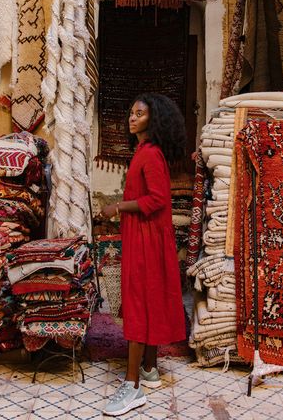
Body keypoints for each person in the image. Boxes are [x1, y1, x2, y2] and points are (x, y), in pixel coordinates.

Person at [100, 92, 187, 417]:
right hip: (145, 237)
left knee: (137, 305)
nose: (131, 117)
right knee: (146, 301)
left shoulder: (149, 155)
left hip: (146, 240)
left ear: (154, 120)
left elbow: (157, 200)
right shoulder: (145, 151)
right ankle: (150, 368)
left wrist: (116, 207)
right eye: (131, 112)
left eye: (139, 113)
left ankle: (132, 385)